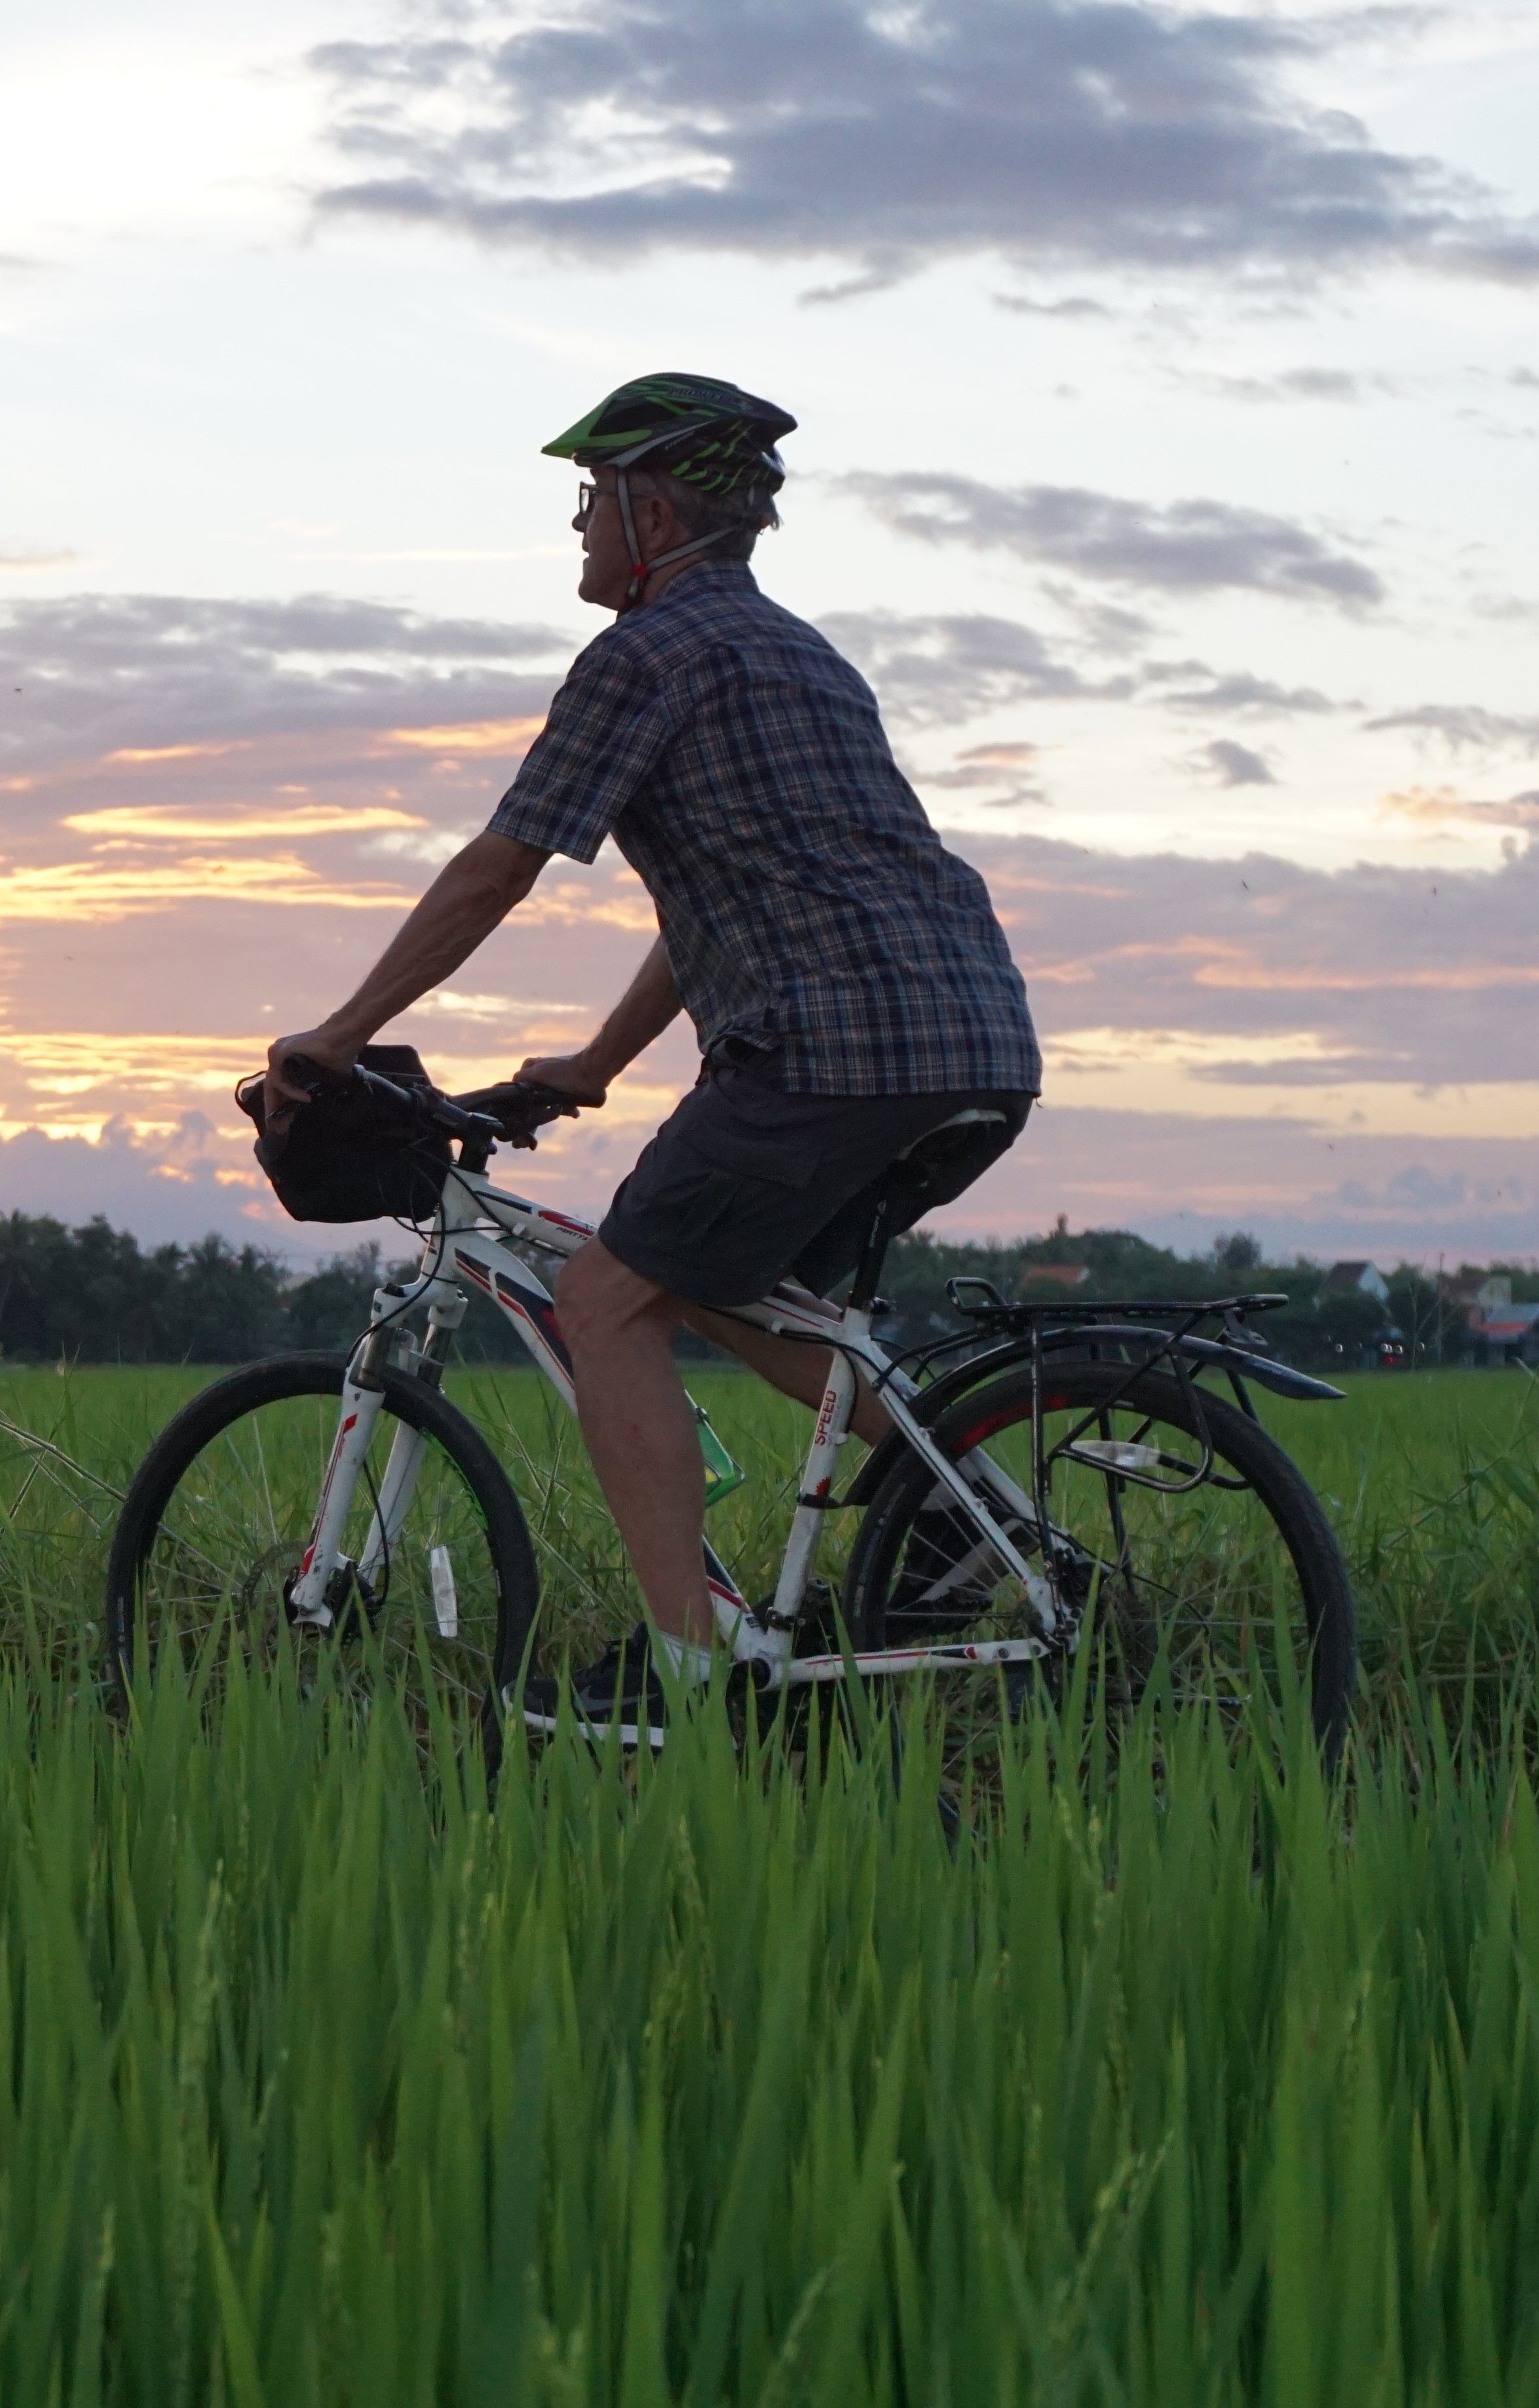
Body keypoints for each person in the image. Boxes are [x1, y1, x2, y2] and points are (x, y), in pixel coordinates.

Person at [265, 374, 1042, 1746]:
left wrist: (336, 1031)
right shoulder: (799, 654)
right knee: (751, 1292)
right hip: (968, 1036)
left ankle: (688, 1667)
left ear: (651, 508)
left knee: (609, 1294)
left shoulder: (643, 654)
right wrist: (593, 1058)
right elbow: (746, 889)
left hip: (825, 1049)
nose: (575, 527)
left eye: (588, 499)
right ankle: (978, 1523)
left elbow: (499, 864)